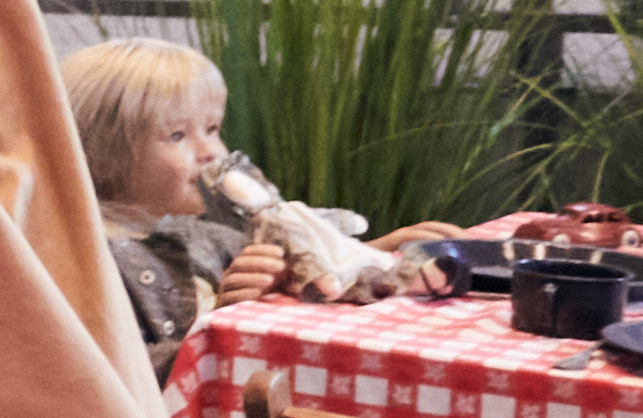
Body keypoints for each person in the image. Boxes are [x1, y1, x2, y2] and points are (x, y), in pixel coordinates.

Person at [67, 37, 444, 359]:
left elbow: (297, 270)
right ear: (101, 155)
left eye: (213, 129)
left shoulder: (202, 234)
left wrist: (378, 248)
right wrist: (222, 321)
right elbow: (115, 386)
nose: (211, 152)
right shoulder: (90, 265)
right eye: (178, 135)